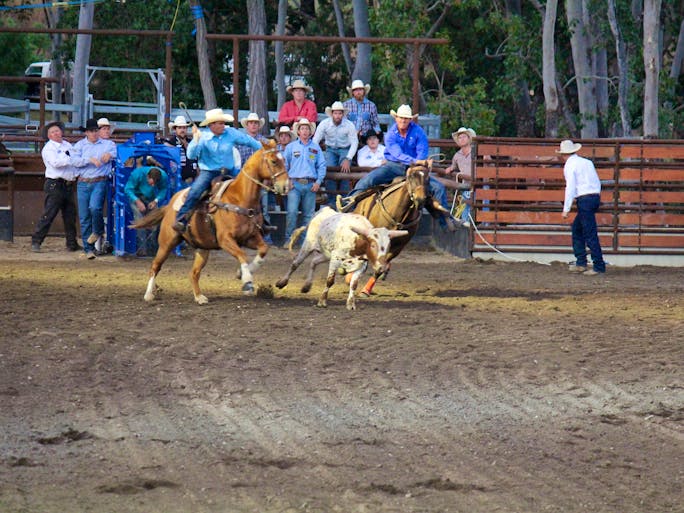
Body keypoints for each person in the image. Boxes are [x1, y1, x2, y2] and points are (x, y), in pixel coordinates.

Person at [337, 104, 459, 230]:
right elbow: (397, 154)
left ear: (410, 119)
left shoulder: (418, 132)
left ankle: (445, 222)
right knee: (368, 180)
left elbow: (422, 150)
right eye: (401, 118)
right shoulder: (391, 134)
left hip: (415, 169)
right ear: (396, 118)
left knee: (438, 188)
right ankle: (349, 203)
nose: (403, 120)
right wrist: (417, 161)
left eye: (406, 118)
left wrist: (419, 162)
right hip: (394, 166)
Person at [173, 108, 261, 233]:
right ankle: (181, 219)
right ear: (211, 125)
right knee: (195, 191)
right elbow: (191, 155)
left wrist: (263, 149)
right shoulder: (202, 137)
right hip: (209, 172)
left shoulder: (231, 133)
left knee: (251, 188)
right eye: (220, 123)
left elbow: (249, 141)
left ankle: (259, 223)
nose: (223, 125)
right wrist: (195, 141)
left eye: (223, 123)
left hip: (230, 170)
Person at [557, 140, 606, 275]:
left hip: (584, 199)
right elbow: (596, 181)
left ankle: (598, 265)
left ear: (563, 154)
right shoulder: (587, 163)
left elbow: (571, 187)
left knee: (588, 232)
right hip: (594, 197)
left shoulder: (570, 166)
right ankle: (582, 262)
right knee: (578, 229)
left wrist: (566, 208)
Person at [30, 121, 80, 253]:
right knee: (49, 213)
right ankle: (36, 240)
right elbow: (56, 163)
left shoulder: (67, 144)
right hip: (55, 184)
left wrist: (74, 169)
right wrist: (70, 158)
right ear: (49, 136)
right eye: (52, 132)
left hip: (68, 183)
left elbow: (74, 160)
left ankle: (71, 243)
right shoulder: (48, 148)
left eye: (57, 130)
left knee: (70, 215)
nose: (56, 133)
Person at [71, 118, 117, 259]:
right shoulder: (79, 146)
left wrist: (110, 155)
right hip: (83, 182)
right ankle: (88, 248)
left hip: (99, 181)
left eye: (96, 130)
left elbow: (115, 153)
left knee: (94, 207)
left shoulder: (108, 144)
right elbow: (74, 161)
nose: (94, 133)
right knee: (85, 216)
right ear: (86, 132)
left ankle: (97, 231)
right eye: (91, 131)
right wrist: (89, 159)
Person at [282, 117, 326, 246]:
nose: (305, 131)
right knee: (292, 212)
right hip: (294, 184)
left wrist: (318, 182)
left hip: (310, 184)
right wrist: (287, 180)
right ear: (298, 131)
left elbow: (322, 165)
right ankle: (289, 239)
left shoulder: (316, 148)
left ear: (310, 131)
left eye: (307, 128)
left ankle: (305, 242)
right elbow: (284, 165)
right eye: (302, 128)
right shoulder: (291, 147)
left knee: (308, 215)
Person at [235, 112, 273, 243]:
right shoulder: (240, 142)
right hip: (245, 182)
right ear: (247, 125)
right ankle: (244, 236)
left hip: (261, 182)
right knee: (244, 209)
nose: (253, 125)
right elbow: (237, 161)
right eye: (251, 123)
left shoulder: (265, 142)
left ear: (259, 126)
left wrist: (268, 179)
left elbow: (271, 162)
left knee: (263, 209)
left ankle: (265, 238)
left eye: (255, 123)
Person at [312, 101, 358, 204]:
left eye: (340, 113)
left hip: (345, 148)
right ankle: (332, 201)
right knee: (328, 171)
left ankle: (344, 200)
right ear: (332, 114)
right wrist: (316, 155)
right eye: (335, 113)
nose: (337, 116)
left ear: (342, 114)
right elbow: (316, 140)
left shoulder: (349, 125)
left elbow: (354, 142)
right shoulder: (325, 124)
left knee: (345, 170)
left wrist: (348, 158)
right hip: (330, 149)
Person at [124, 165, 169, 256]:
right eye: (151, 183)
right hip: (136, 197)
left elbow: (163, 189)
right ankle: (142, 251)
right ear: (147, 177)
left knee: (155, 222)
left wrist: (156, 200)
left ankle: (153, 250)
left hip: (150, 198)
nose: (153, 185)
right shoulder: (137, 174)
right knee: (140, 221)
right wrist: (137, 201)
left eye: (154, 184)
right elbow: (128, 189)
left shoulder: (163, 176)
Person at [444, 127, 476, 227]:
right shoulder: (457, 155)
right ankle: (466, 223)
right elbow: (454, 165)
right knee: (464, 201)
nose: (461, 139)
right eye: (460, 137)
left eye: (464, 137)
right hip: (465, 185)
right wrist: (451, 168)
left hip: (477, 183)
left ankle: (481, 222)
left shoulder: (475, 152)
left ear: (468, 138)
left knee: (473, 200)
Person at [164, 115, 198, 184]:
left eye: (184, 128)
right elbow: (165, 146)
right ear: (175, 129)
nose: (182, 130)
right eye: (179, 128)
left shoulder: (191, 142)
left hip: (192, 179)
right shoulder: (171, 142)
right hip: (176, 179)